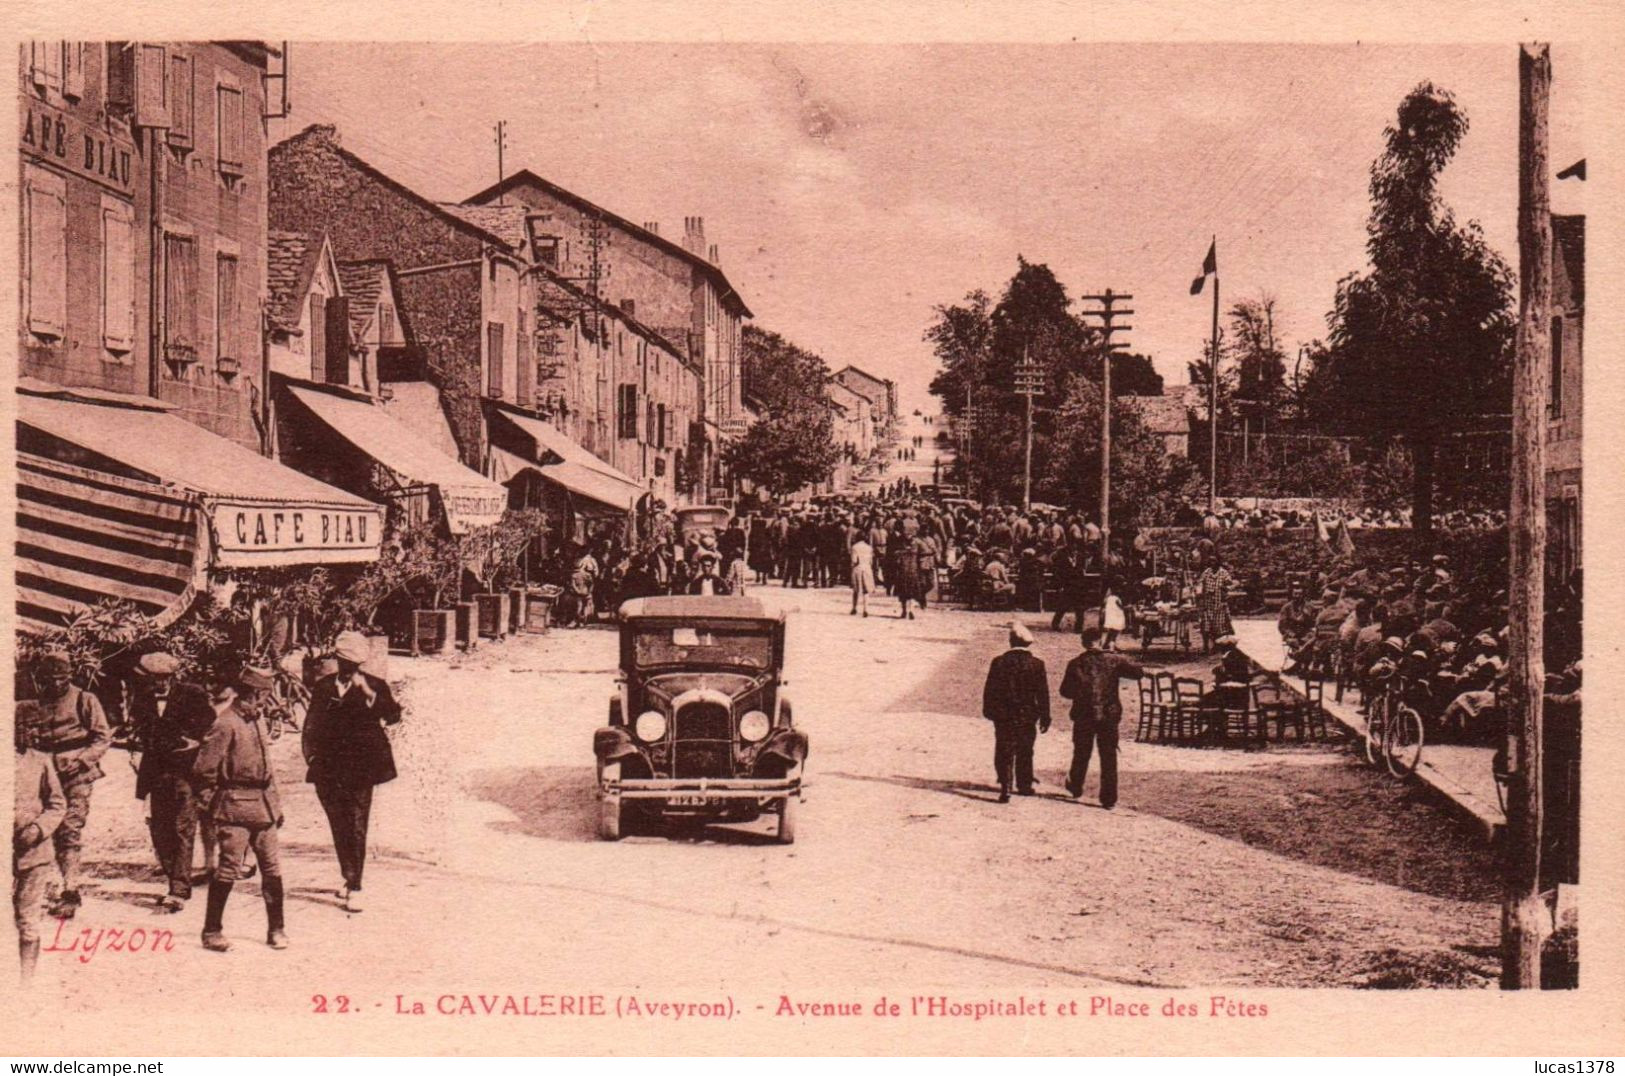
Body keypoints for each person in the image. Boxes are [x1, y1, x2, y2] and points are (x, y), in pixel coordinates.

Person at [301, 632, 403, 913]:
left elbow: (393, 717)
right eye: (344, 662)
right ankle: (348, 875)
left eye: (353, 664)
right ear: (337, 660)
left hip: (362, 769)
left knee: (357, 823)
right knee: (338, 823)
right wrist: (310, 756)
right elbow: (311, 725)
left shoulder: (375, 686)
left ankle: (355, 885)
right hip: (329, 768)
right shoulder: (323, 687)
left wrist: (371, 696)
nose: (348, 669)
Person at [192, 667, 287, 952]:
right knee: (229, 869)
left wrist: (276, 805)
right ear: (254, 694)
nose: (266, 702)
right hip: (234, 809)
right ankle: (211, 931)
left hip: (264, 807)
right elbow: (203, 769)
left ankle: (276, 929)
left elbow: (267, 768)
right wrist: (214, 807)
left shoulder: (256, 721)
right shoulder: (225, 723)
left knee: (272, 868)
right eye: (264, 696)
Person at [16, 651, 111, 920]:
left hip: (77, 774)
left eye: (61, 678)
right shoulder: (33, 703)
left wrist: (82, 760)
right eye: (49, 680)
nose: (56, 684)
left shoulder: (85, 699)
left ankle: (71, 889)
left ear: (70, 676)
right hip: (43, 773)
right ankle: (35, 885)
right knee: (39, 827)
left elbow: (102, 738)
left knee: (70, 828)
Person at [130, 652, 219, 911]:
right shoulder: (142, 698)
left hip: (185, 772)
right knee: (159, 830)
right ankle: (174, 878)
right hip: (155, 772)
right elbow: (140, 731)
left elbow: (209, 727)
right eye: (155, 679)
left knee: (183, 828)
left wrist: (193, 743)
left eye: (164, 678)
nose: (160, 684)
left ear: (173, 676)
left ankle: (179, 889)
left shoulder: (193, 694)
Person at [1059, 627, 1143, 808]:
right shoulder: (1113, 660)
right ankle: (1108, 798)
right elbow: (1138, 672)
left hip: (1083, 714)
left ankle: (1075, 786)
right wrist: (1119, 655)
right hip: (1108, 714)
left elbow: (1065, 691)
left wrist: (1081, 693)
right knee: (1108, 755)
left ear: (1083, 642)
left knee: (1081, 752)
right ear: (1101, 640)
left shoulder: (1075, 663)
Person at [14, 722, 67, 981]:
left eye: (36, 728)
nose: (34, 733)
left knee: (28, 921)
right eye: (27, 727)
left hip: (34, 853)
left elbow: (57, 804)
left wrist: (38, 829)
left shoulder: (41, 761)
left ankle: (26, 983)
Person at [979, 622, 1051, 803]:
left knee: (1004, 748)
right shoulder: (1037, 664)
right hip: (1027, 714)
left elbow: (990, 690)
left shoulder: (999, 662)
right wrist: (1045, 715)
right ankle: (1024, 784)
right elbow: (1042, 693)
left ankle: (1005, 785)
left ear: (1011, 641)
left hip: (1003, 715)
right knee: (1026, 749)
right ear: (1028, 644)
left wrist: (989, 711)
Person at [849, 534, 875, 617]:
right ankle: (865, 609)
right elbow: (871, 561)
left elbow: (854, 560)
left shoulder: (854, 547)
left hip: (858, 568)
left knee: (856, 590)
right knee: (866, 590)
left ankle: (854, 608)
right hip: (867, 568)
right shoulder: (869, 548)